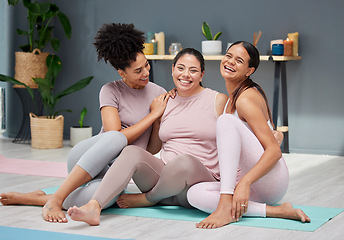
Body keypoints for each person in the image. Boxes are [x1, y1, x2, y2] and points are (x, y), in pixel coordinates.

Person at [0, 23, 168, 223]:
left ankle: (38, 198)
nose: (146, 73)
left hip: (116, 171)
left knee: (107, 200)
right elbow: (115, 136)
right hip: (88, 158)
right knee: (115, 137)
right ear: (121, 73)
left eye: (147, 65)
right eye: (138, 70)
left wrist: (158, 120)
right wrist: (151, 115)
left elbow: (151, 149)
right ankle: (56, 200)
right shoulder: (110, 90)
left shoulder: (158, 93)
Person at [66, 48, 229, 226]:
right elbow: (153, 148)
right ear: (173, 69)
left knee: (184, 162)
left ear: (202, 74)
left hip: (196, 184)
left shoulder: (218, 100)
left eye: (193, 70)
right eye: (180, 68)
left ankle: (149, 198)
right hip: (164, 184)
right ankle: (93, 207)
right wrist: (156, 116)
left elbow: (233, 142)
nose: (186, 75)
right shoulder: (164, 102)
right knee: (131, 152)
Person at [186, 41, 311, 229]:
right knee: (194, 194)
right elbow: (270, 132)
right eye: (228, 56)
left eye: (239, 60)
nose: (230, 62)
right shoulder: (232, 99)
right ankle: (276, 211)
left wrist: (245, 182)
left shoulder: (245, 98)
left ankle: (225, 205)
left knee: (225, 121)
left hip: (268, 180)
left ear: (249, 70)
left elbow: (274, 151)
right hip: (250, 183)